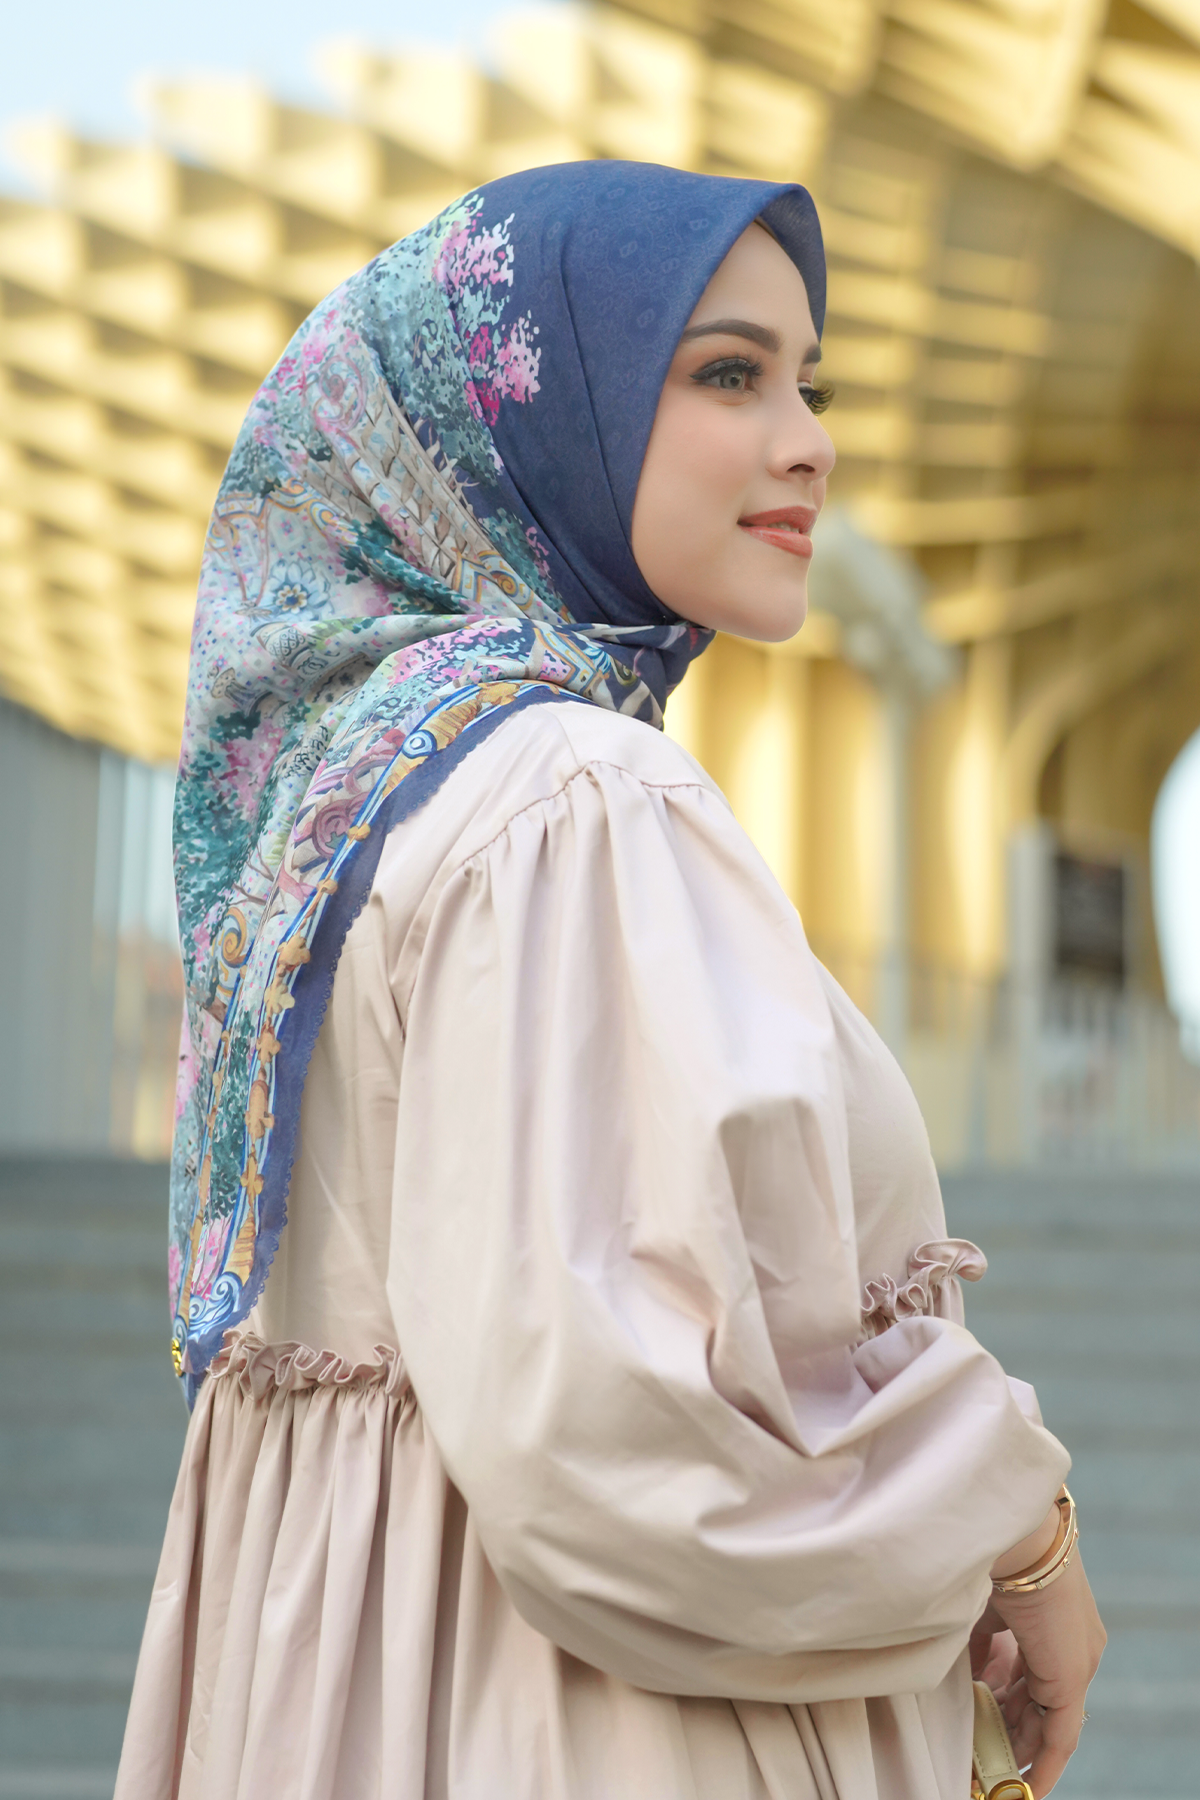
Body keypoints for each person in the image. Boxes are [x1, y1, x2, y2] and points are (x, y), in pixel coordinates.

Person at [115, 160, 1104, 1800]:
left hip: (368, 1694)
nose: (809, 440)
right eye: (727, 374)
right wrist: (1017, 1528)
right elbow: (627, 1449)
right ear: (527, 425)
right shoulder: (577, 796)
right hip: (587, 1727)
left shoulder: (362, 804)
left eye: (809, 383)